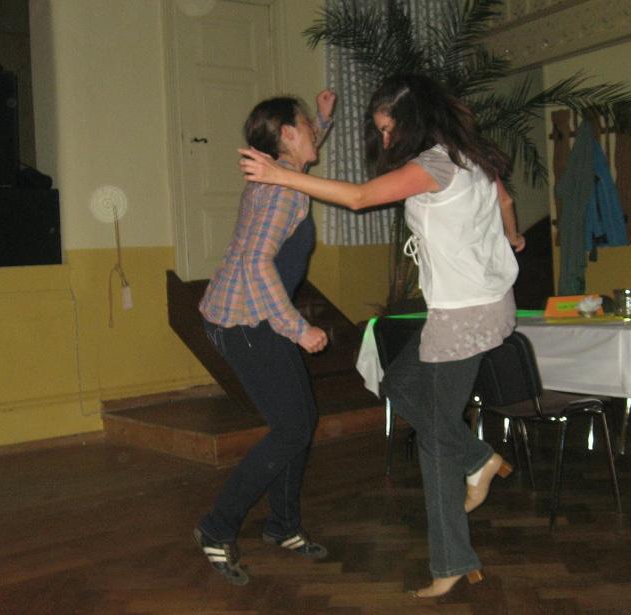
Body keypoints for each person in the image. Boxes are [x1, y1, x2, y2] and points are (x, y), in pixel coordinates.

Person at [239, 74, 526, 598]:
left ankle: (451, 561)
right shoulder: (468, 154)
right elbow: (504, 200)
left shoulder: (435, 164)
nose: (387, 140)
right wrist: (511, 236)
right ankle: (478, 459)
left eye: (390, 129)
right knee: (398, 384)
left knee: (434, 437)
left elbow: (359, 198)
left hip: (462, 315)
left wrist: (282, 176)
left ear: (415, 120)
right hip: (481, 306)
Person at [194, 89, 336, 586]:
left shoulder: (279, 174)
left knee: (298, 422)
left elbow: (303, 152)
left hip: (252, 315)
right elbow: (257, 264)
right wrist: (299, 328)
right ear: (288, 136)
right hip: (246, 321)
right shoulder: (283, 191)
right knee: (293, 429)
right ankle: (216, 528)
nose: (315, 132)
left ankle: (283, 526)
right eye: (309, 126)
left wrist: (322, 117)